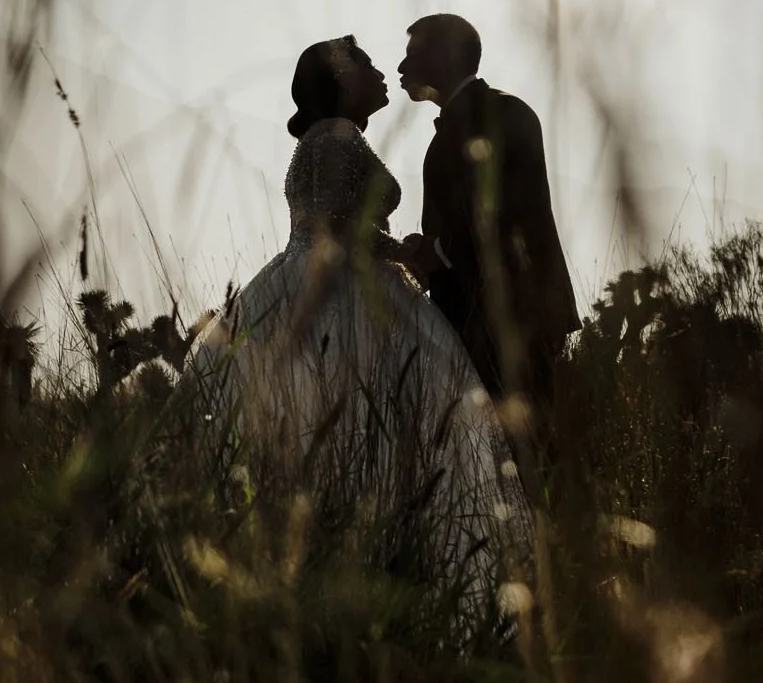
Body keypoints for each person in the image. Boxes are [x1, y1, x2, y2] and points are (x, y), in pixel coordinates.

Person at [186, 36, 531, 629]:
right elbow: (336, 227)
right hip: (346, 297)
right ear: (342, 79)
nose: (381, 73)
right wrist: (409, 256)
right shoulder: (338, 140)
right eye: (368, 64)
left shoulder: (327, 141)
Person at [397, 13, 578, 417]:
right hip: (469, 322)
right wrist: (427, 248)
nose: (401, 67)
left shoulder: (506, 115)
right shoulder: (451, 131)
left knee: (528, 456)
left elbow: (503, 210)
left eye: (413, 54)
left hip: (518, 319)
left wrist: (438, 251)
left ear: (448, 56)